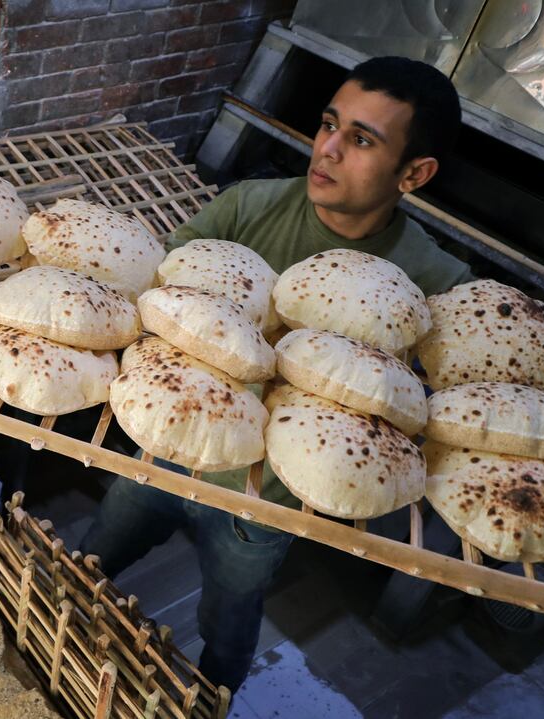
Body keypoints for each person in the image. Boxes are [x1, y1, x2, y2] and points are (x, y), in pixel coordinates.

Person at [78, 56, 474, 693]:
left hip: (265, 499)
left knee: (228, 621)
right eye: (328, 124)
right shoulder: (247, 208)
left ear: (415, 173)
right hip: (167, 445)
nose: (328, 149)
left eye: (362, 140)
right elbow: (154, 292)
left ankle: (214, 698)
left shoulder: (433, 287)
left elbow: (430, 415)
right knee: (92, 556)